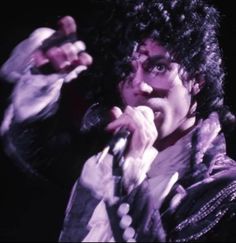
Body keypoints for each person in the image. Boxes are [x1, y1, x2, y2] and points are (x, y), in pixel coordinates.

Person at [1, 0, 236, 242]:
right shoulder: (107, 148)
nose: (140, 86)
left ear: (197, 79)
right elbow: (39, 148)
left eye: (157, 67)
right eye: (127, 70)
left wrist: (128, 189)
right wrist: (42, 80)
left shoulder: (224, 192)